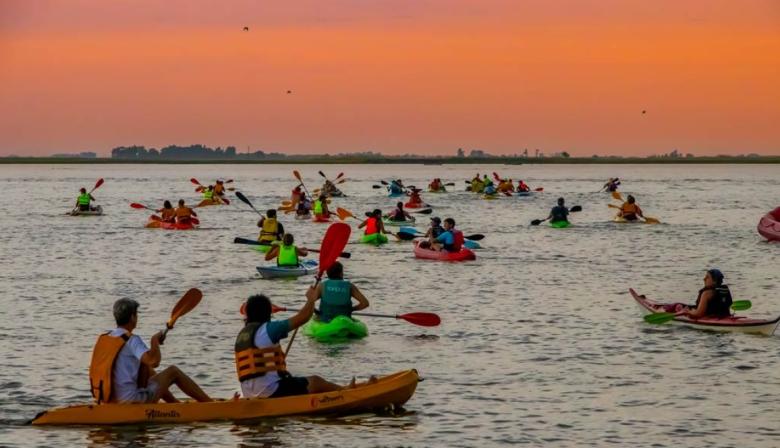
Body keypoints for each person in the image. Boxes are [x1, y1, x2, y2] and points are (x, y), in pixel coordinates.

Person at [237, 293, 375, 398]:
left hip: (249, 392)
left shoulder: (242, 334)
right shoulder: (269, 329)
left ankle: (343, 390)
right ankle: (347, 393)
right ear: (267, 314)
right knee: (316, 382)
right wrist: (311, 298)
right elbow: (304, 317)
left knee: (298, 381)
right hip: (270, 390)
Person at [89, 298, 212, 404]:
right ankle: (210, 404)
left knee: (147, 369)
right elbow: (154, 361)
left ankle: (174, 405)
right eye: (136, 314)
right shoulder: (131, 340)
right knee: (173, 372)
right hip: (130, 401)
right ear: (132, 317)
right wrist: (154, 341)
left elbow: (148, 364)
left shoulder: (105, 337)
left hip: (108, 400)